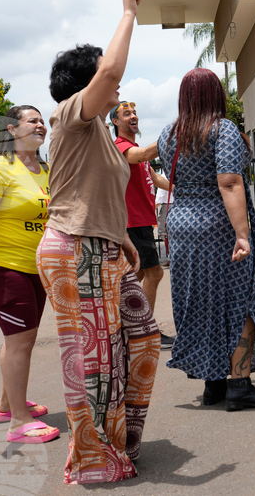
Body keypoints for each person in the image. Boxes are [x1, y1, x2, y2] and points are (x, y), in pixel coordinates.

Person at [37, 0, 161, 484]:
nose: (117, 81)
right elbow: (110, 71)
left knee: (144, 340)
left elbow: (100, 195)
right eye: (106, 73)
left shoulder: (101, 139)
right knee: (92, 361)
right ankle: (93, 459)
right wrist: (128, 13)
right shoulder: (70, 116)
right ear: (89, 81)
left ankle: (118, 440)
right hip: (73, 248)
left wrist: (124, 239)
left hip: (104, 247)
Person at [158, 68, 255, 410]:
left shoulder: (168, 134)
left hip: (181, 224)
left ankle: (212, 383)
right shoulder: (223, 129)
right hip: (216, 225)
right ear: (215, 95)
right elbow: (229, 182)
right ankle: (239, 383)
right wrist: (243, 235)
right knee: (242, 301)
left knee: (201, 303)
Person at [0, 105, 58, 445]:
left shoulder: (45, 169)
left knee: (20, 338)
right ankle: (18, 422)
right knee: (21, 341)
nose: (41, 126)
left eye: (43, 121)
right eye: (32, 121)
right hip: (3, 267)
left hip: (37, 268)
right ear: (11, 130)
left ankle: (6, 404)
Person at [110, 100, 174, 348]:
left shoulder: (133, 147)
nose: (133, 116)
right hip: (132, 222)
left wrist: (185, 189)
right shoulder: (121, 146)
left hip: (141, 222)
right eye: (126, 114)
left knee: (133, 276)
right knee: (155, 273)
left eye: (134, 112)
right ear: (115, 122)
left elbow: (154, 176)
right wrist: (174, 135)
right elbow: (147, 155)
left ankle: (122, 326)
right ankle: (145, 331)